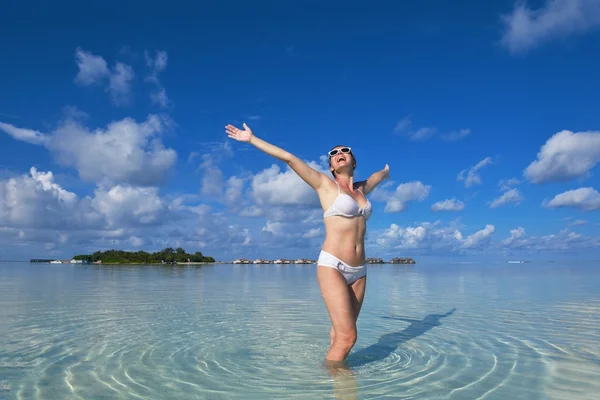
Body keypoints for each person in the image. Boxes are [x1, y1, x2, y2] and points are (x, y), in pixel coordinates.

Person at [225, 123, 390, 364]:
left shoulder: (361, 191)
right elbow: (290, 159)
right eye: (333, 154)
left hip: (360, 272)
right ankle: (338, 383)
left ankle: (332, 383)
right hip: (333, 265)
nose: (338, 154)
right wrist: (252, 140)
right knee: (348, 337)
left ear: (353, 161)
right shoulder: (325, 185)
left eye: (344, 150)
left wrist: (385, 172)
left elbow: (375, 178)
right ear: (331, 167)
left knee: (340, 332)